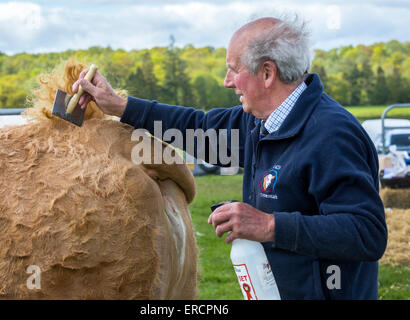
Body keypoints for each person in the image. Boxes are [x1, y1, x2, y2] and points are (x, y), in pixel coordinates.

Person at [72, 16, 387, 300]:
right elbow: (196, 128)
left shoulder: (332, 135)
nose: (227, 80)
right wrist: (121, 107)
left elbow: (367, 233)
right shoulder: (260, 122)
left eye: (234, 69)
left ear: (267, 73)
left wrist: (268, 225)